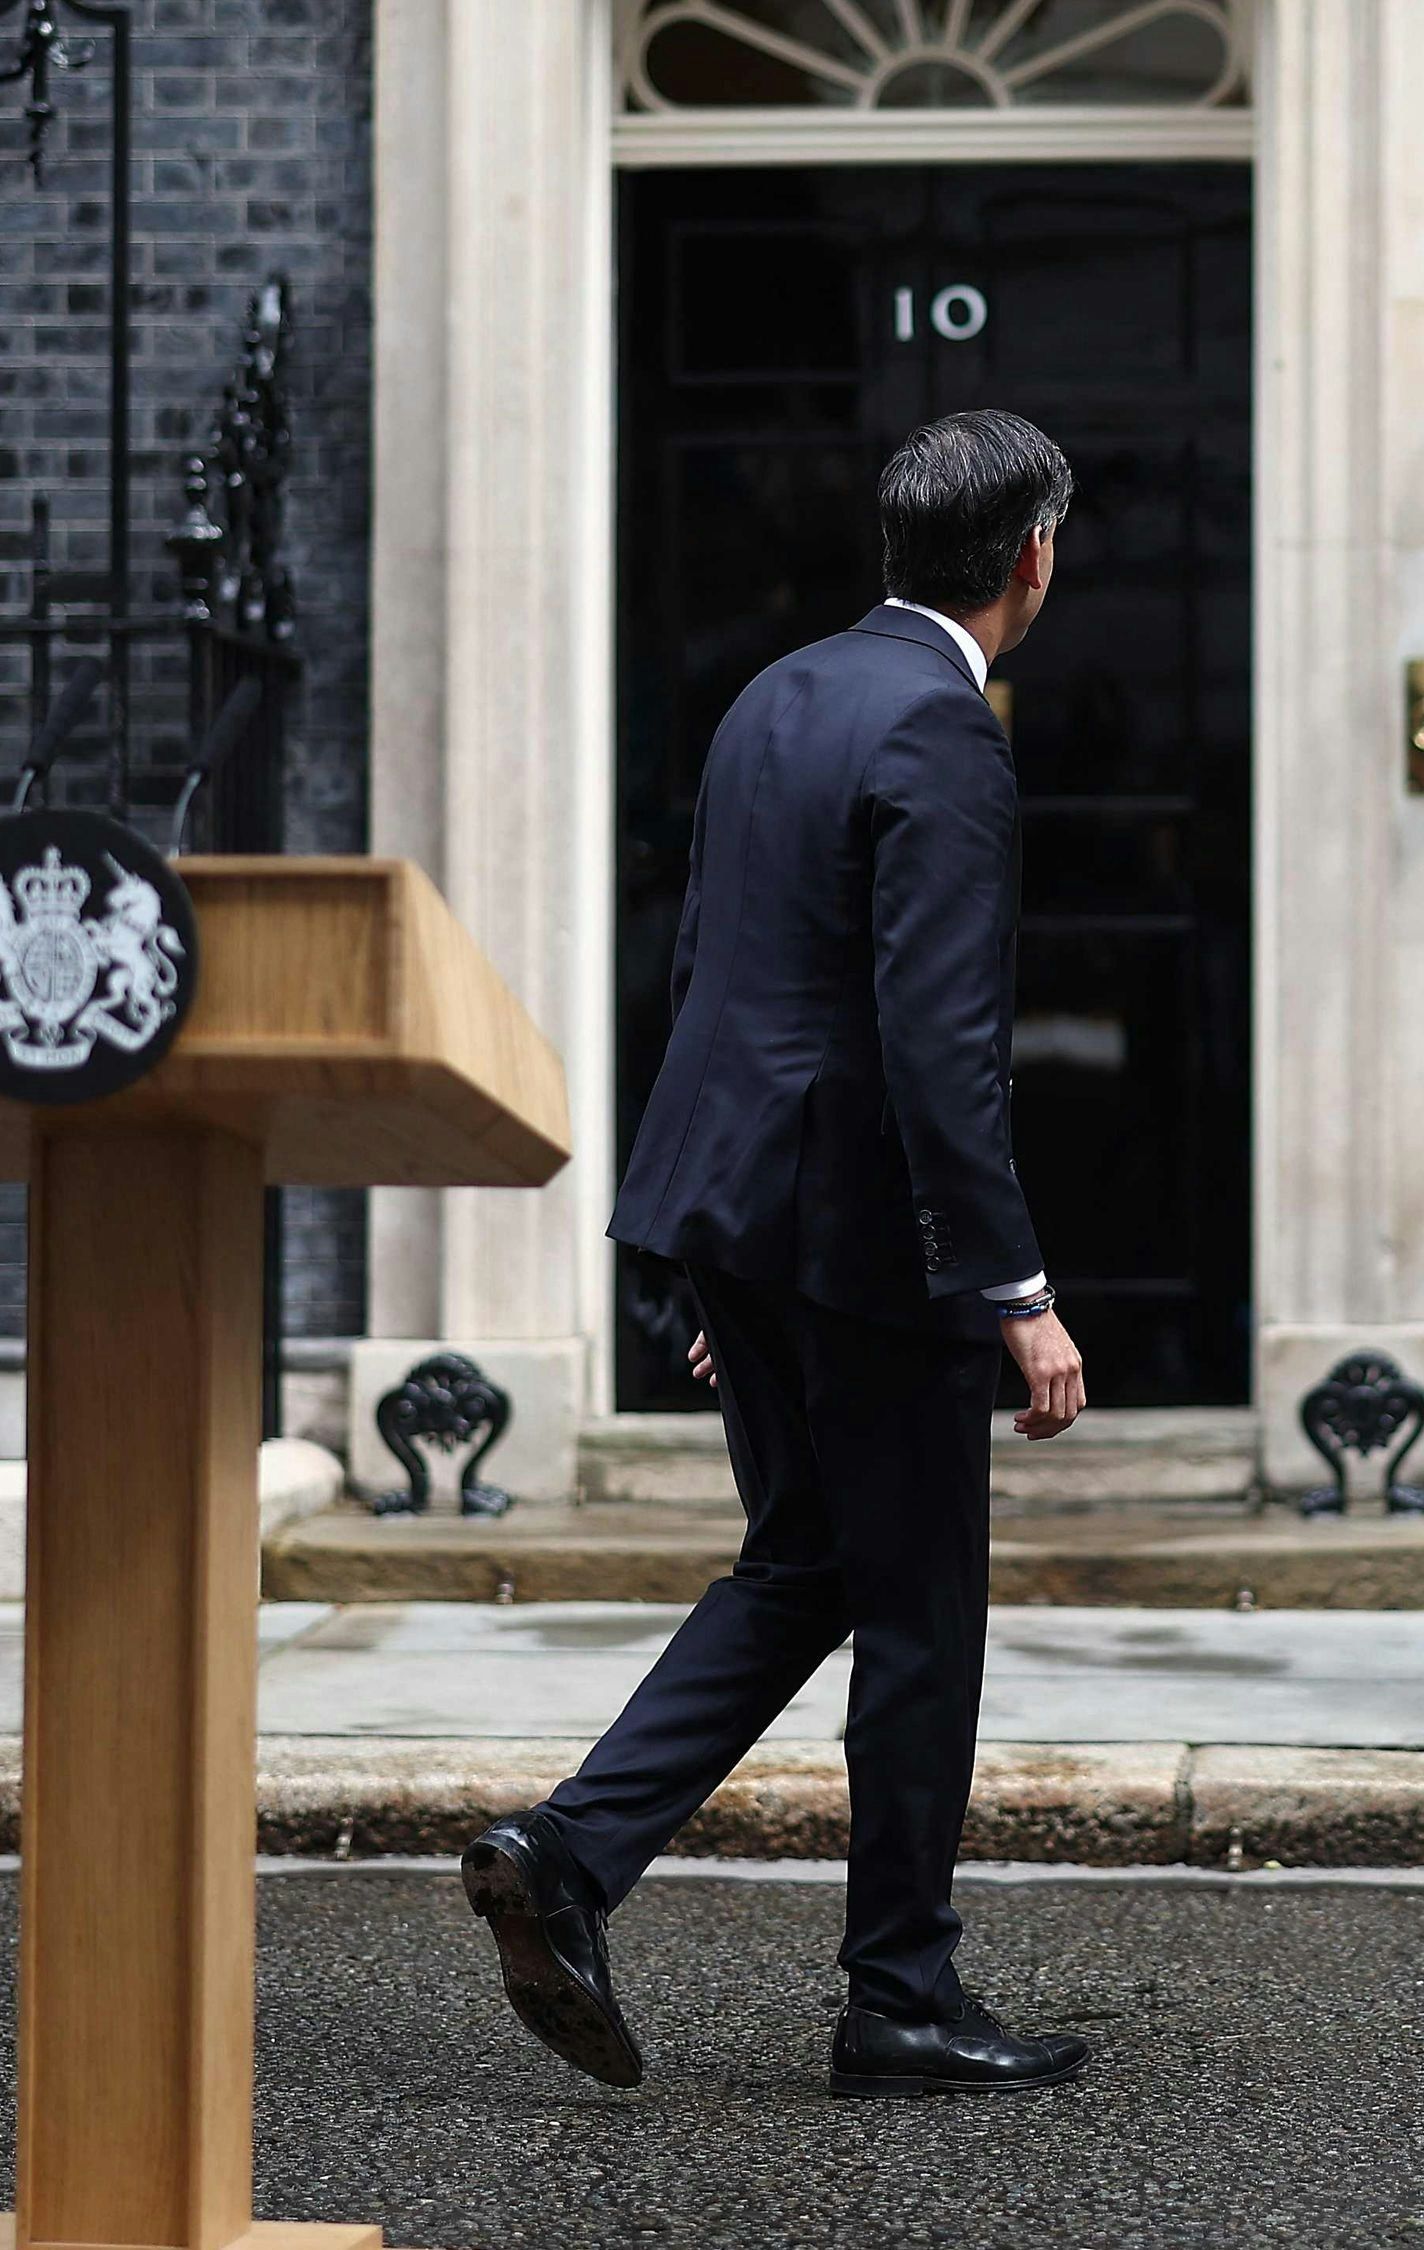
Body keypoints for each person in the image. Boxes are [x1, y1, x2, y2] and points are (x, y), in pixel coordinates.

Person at [461, 409, 1096, 2100]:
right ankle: (899, 1998)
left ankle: (570, 1852)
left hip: (738, 1213)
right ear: (1033, 555)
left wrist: (725, 1258)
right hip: (864, 1238)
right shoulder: (946, 733)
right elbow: (937, 1042)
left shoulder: (775, 697)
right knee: (922, 1618)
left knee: (809, 1562)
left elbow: (711, 977)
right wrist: (1016, 1289)